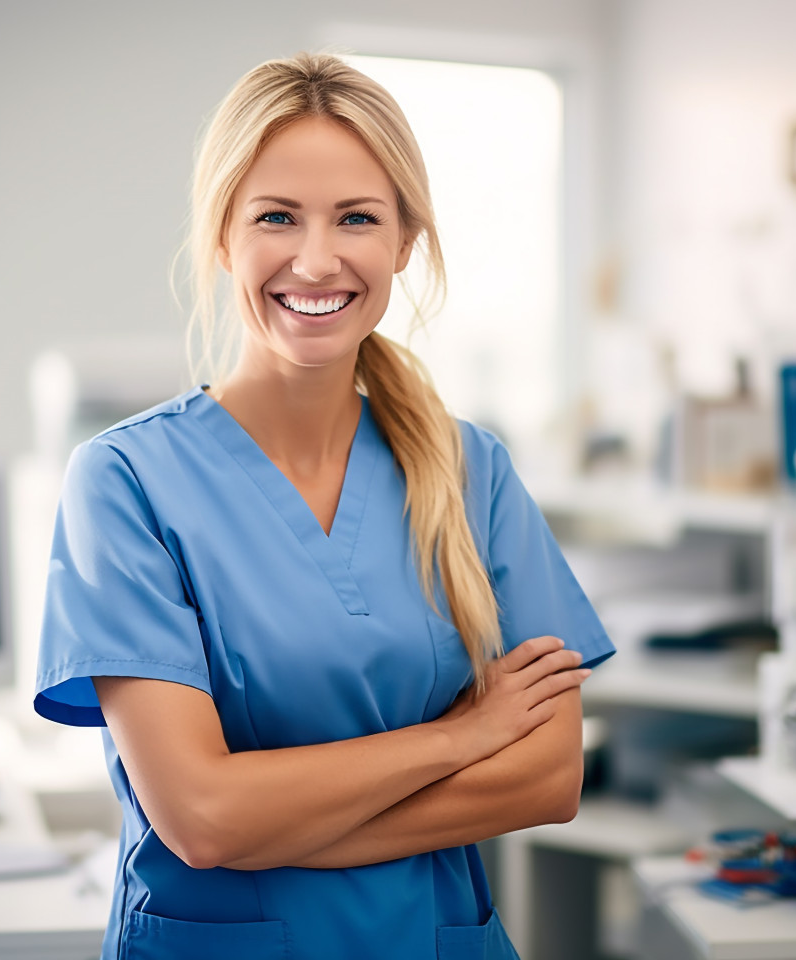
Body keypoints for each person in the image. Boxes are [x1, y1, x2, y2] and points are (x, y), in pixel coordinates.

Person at [34, 52, 615, 960]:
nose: (316, 257)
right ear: (221, 238)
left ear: (403, 246)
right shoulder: (125, 482)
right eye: (276, 217)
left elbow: (546, 776)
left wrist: (275, 826)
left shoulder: (470, 468)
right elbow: (202, 818)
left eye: (356, 218)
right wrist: (460, 737)